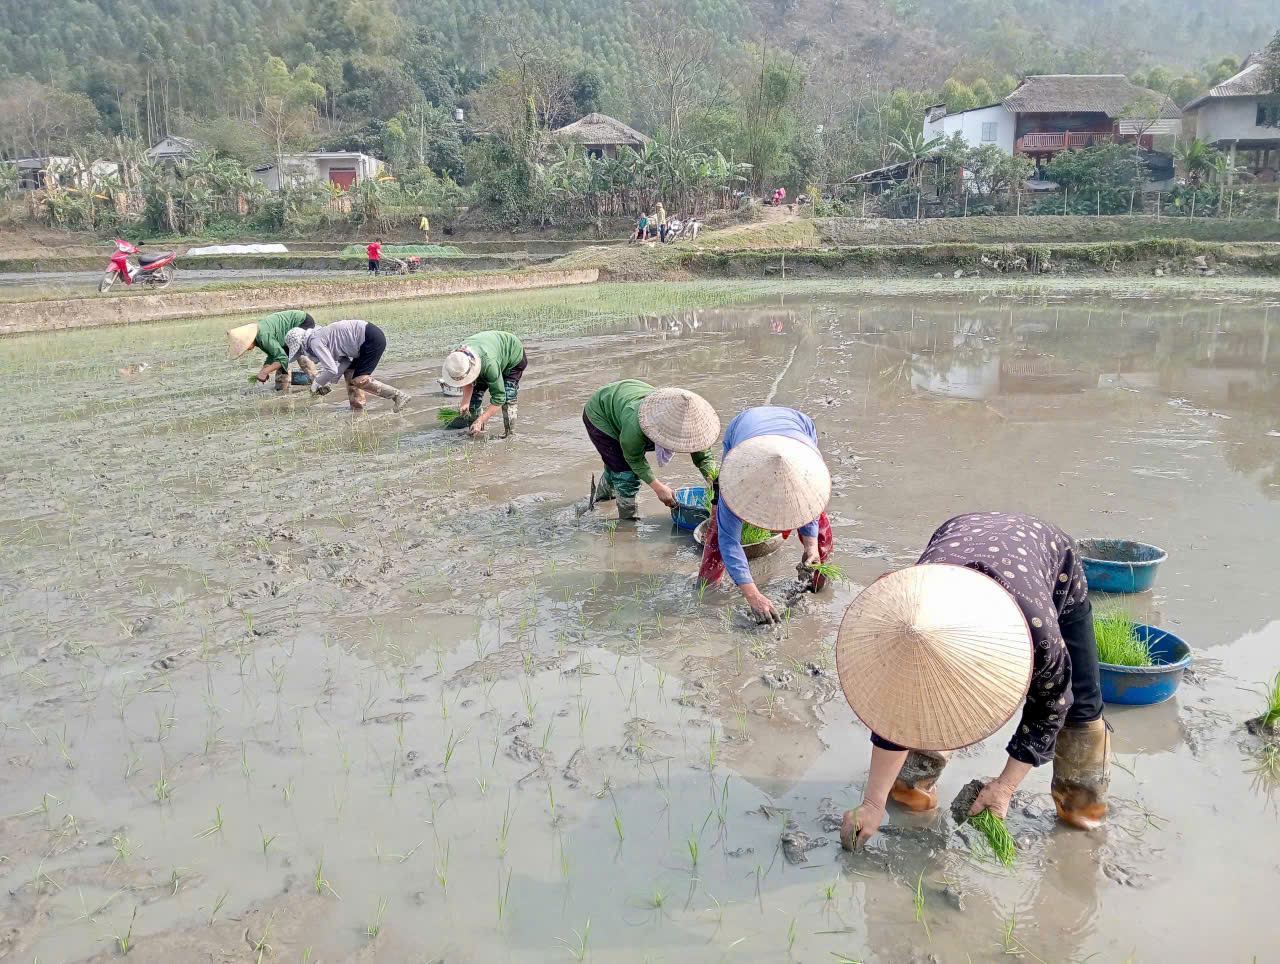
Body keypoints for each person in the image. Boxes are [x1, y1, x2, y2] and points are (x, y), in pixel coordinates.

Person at [835, 511, 1110, 851]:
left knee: (1082, 706)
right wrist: (873, 804)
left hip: (1049, 556)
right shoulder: (909, 617)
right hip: (960, 534)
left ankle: (1082, 810)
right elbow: (895, 709)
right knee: (919, 686)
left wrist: (1005, 786)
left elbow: (1050, 707)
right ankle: (912, 787)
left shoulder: (1040, 632)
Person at [697, 407, 834, 623]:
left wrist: (811, 546)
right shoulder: (736, 481)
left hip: (798, 427)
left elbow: (810, 507)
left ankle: (816, 576)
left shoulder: (807, 472)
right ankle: (707, 586)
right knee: (720, 521)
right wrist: (753, 595)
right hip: (742, 427)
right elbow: (730, 541)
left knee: (816, 521)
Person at [583, 380, 719, 521]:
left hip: (626, 397)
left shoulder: (694, 423)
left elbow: (704, 458)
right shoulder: (637, 424)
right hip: (600, 414)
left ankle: (602, 500)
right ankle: (628, 521)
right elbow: (634, 459)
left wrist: (715, 484)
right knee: (625, 473)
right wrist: (659, 488)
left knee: (616, 464)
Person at [285, 320, 410, 413]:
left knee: (359, 380)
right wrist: (331, 381)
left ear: (302, 344)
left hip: (370, 338)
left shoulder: (315, 342)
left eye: (300, 352)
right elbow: (345, 361)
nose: (302, 354)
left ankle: (398, 396)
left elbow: (331, 369)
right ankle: (358, 409)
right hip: (364, 339)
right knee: (349, 374)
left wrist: (317, 383)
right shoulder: (318, 338)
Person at [439, 330, 527, 437]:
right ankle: (476, 431)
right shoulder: (458, 358)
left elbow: (499, 398)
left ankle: (509, 435)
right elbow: (466, 379)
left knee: (508, 395)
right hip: (488, 352)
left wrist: (481, 420)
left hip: (512, 353)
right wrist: (465, 402)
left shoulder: (489, 365)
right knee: (474, 400)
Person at [226, 309, 318, 392]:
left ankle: (318, 384)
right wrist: (265, 368)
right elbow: (272, 355)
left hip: (302, 322)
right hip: (285, 335)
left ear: (247, 340)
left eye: (244, 347)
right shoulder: (258, 338)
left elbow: (283, 358)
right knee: (280, 362)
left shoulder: (263, 336)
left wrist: (265, 372)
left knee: (301, 355)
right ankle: (282, 392)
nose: (246, 350)